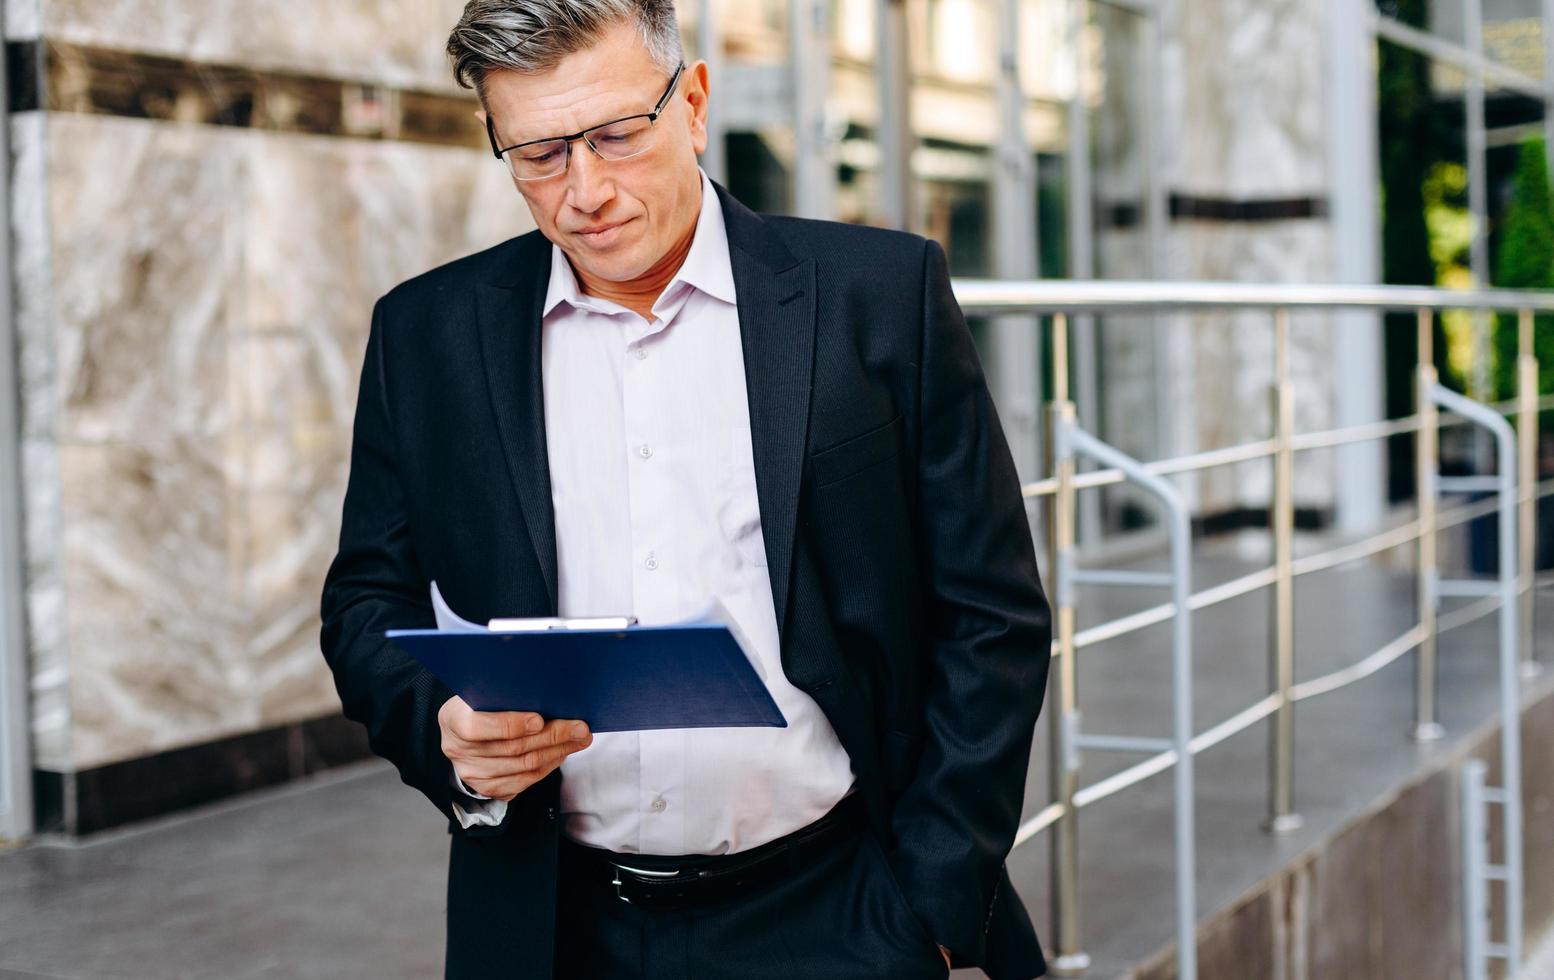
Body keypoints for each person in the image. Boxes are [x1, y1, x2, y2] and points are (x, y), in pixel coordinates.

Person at [318, 0, 1052, 977]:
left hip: (843, 906)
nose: (585, 190)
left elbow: (990, 612)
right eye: (538, 155)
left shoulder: (879, 296)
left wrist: (932, 904)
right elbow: (367, 598)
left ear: (694, 103)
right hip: (554, 926)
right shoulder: (427, 335)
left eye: (618, 134)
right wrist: (447, 726)